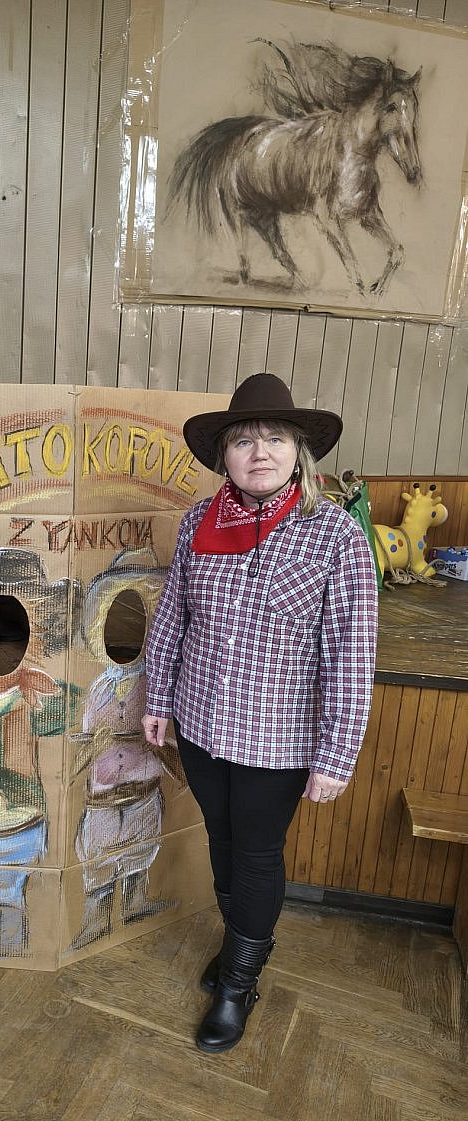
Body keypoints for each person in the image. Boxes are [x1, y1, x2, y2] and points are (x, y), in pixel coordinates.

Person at [142, 373, 377, 1054]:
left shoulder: (335, 535)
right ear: (225, 456)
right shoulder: (198, 522)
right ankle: (239, 944)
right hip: (201, 722)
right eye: (243, 440)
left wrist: (336, 755)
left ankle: (239, 982)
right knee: (220, 842)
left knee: (253, 853)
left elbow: (351, 653)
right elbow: (173, 617)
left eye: (274, 438)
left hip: (278, 738)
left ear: (298, 451)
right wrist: (158, 698)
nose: (259, 452)